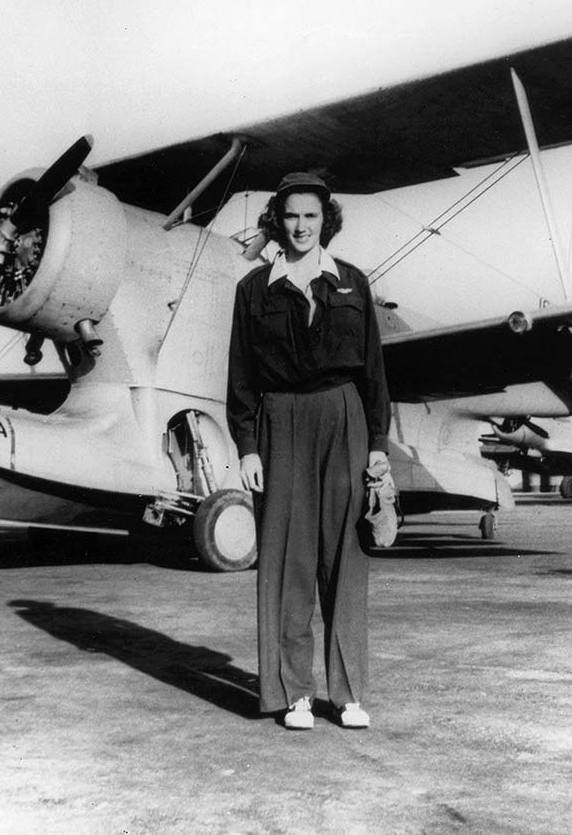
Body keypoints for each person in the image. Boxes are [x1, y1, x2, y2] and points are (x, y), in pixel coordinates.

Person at [227, 172, 391, 730]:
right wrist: (247, 445)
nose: (301, 226)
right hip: (281, 420)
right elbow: (241, 374)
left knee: (345, 557)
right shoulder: (253, 289)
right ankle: (294, 693)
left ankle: (348, 694)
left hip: (342, 414)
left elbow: (373, 370)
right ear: (278, 220)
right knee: (287, 560)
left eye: (312, 216)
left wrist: (376, 444)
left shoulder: (351, 282)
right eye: (292, 216)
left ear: (327, 220)